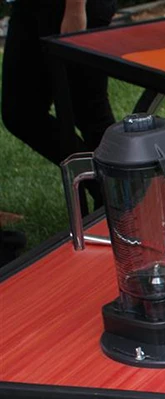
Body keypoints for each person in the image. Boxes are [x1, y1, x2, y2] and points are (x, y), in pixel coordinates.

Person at [1, 0, 117, 265]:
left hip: (71, 8)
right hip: (33, 7)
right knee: (21, 113)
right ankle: (109, 193)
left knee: (88, 112)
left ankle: (120, 201)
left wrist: (75, 10)